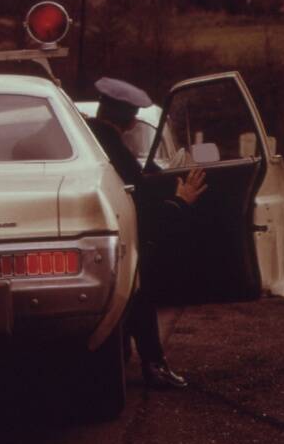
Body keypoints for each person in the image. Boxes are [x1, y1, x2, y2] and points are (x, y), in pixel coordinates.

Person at [85, 77, 207, 390]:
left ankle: (137, 356)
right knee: (139, 290)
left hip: (99, 235)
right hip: (118, 236)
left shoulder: (91, 138)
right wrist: (180, 201)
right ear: (128, 120)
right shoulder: (111, 144)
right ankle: (153, 363)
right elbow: (141, 206)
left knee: (135, 293)